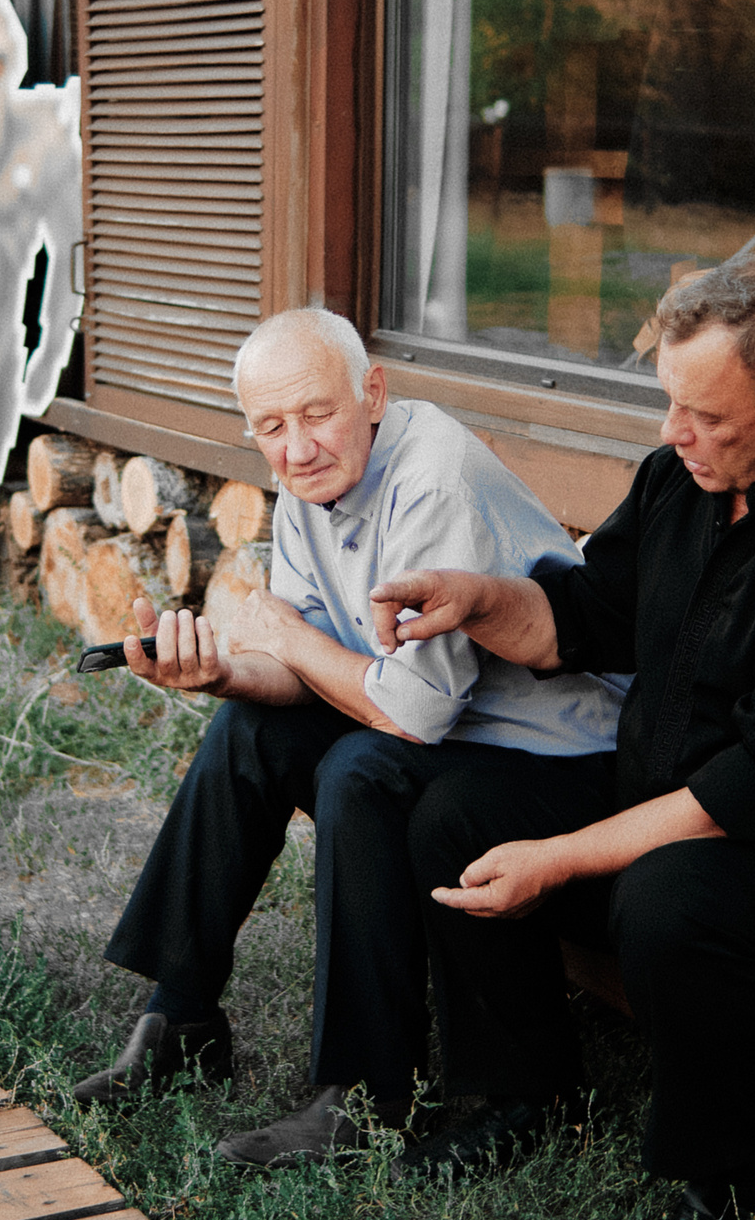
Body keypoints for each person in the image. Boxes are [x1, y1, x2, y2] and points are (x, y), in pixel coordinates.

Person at [367, 254, 755, 1220]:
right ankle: (520, 1090)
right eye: (669, 404)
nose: (675, 432)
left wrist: (559, 858)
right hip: (680, 822)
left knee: (670, 896)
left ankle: (731, 1205)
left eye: (705, 414)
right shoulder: (685, 479)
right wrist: (475, 595)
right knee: (458, 807)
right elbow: (584, 615)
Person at [76, 307, 625, 1167]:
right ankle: (181, 1012)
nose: (295, 448)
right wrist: (221, 672)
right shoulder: (316, 476)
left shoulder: (431, 476)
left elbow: (413, 712)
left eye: (315, 413)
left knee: (363, 769)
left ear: (372, 391)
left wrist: (286, 639)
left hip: (556, 750)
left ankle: (365, 1097)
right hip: (451, 718)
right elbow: (305, 666)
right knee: (250, 726)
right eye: (270, 426)